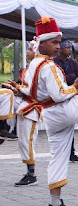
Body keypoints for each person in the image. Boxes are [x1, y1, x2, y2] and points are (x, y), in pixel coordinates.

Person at [20, 16, 78, 206]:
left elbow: (35, 90)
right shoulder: (49, 66)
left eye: (59, 42)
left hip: (49, 116)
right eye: (54, 42)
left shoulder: (32, 66)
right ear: (41, 44)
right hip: (62, 111)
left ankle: (55, 204)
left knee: (58, 158)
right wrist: (77, 87)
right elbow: (59, 95)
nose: (58, 47)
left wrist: (76, 89)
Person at [5, 41, 41, 186]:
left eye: (30, 49)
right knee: (23, 142)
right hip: (25, 106)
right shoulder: (30, 69)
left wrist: (17, 88)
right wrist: (16, 88)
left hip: (32, 108)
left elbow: (35, 91)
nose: (27, 52)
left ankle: (31, 174)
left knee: (28, 142)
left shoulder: (39, 69)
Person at [54, 39, 78, 164]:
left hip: (71, 94)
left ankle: (71, 152)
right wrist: (71, 77)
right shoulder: (54, 63)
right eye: (67, 47)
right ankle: (60, 152)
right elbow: (58, 79)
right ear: (60, 49)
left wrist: (69, 78)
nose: (69, 50)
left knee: (70, 124)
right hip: (59, 96)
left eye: (70, 47)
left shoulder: (72, 62)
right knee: (60, 126)